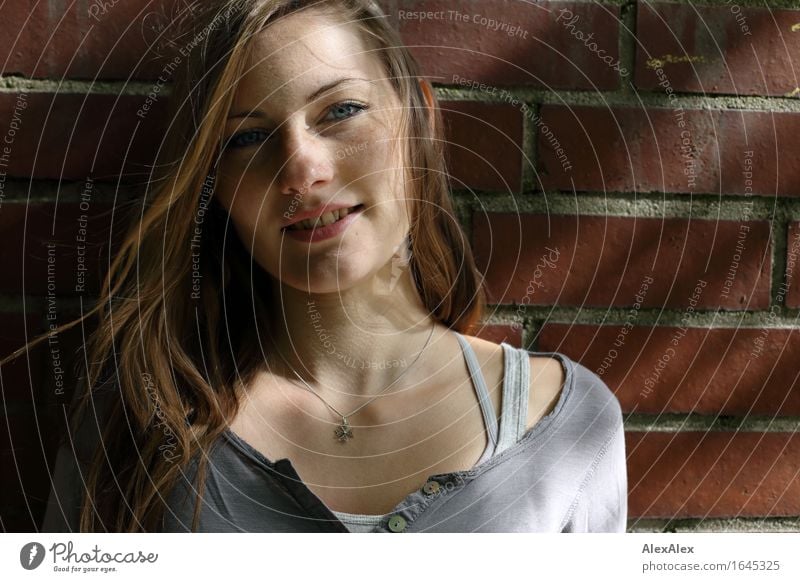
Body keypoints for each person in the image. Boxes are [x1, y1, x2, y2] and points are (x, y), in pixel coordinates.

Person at [14, 0, 626, 532]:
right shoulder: (142, 420)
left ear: (419, 118)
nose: (302, 172)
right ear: (213, 185)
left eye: (340, 111)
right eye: (245, 139)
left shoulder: (567, 424)